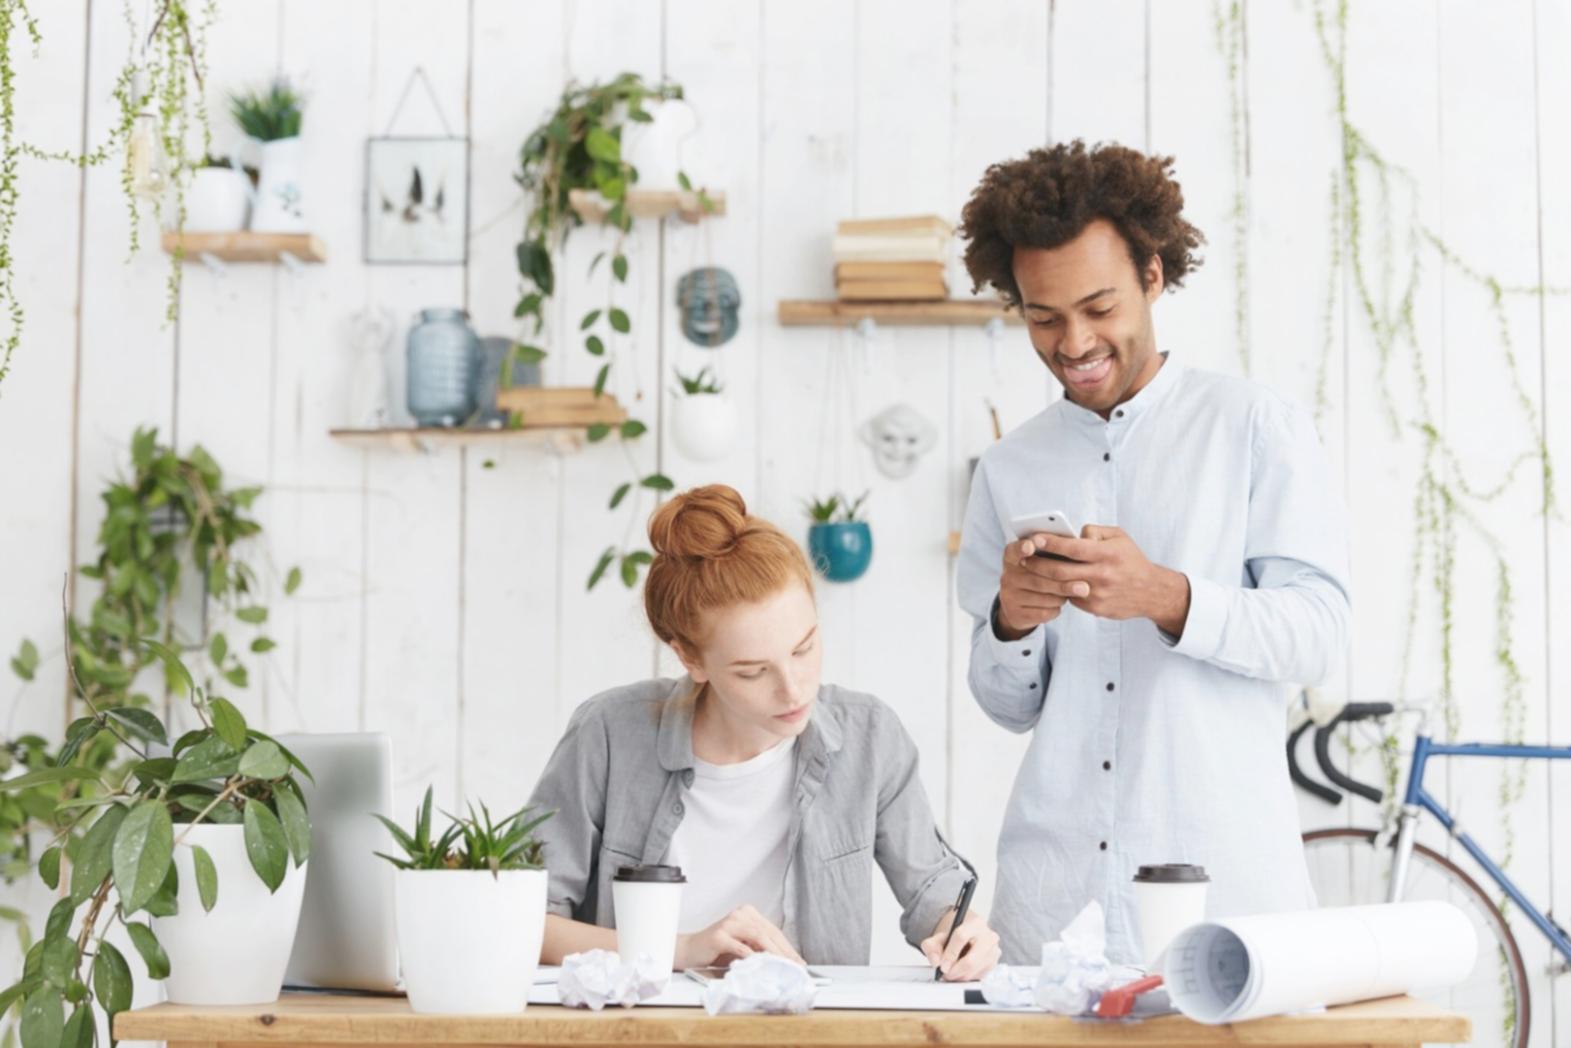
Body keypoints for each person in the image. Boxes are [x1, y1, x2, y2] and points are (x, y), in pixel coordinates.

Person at [955, 140, 1351, 964]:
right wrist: (1010, 624)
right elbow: (1006, 705)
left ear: (1152, 276)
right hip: (1052, 904)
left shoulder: (1251, 427)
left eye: (1098, 307)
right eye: (1042, 316)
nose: (1072, 342)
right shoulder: (1007, 466)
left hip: (1226, 890)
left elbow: (1318, 634)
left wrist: (1164, 595)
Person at [529, 485, 1001, 979]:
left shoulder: (870, 737)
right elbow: (524, 920)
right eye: (753, 672)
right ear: (690, 658)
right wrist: (685, 949)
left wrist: (963, 929)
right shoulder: (608, 735)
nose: (794, 690)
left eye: (804, 648)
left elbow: (933, 889)